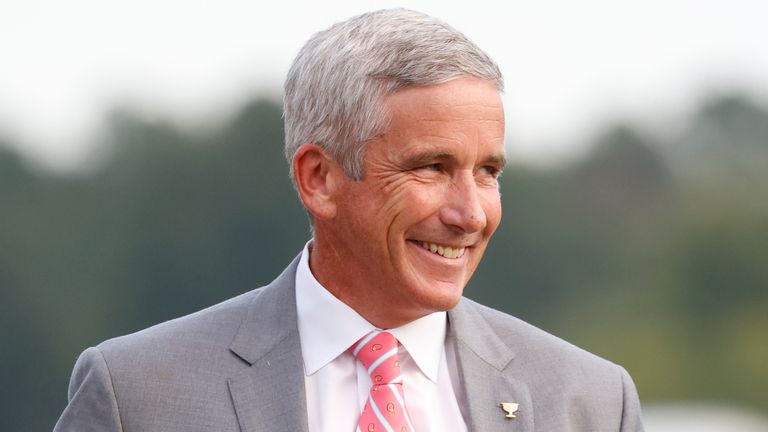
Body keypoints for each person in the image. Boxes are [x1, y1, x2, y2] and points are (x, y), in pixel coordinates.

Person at [54, 8, 643, 432]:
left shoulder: (589, 402)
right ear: (319, 178)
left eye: (488, 171)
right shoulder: (137, 394)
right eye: (432, 168)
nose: (470, 214)